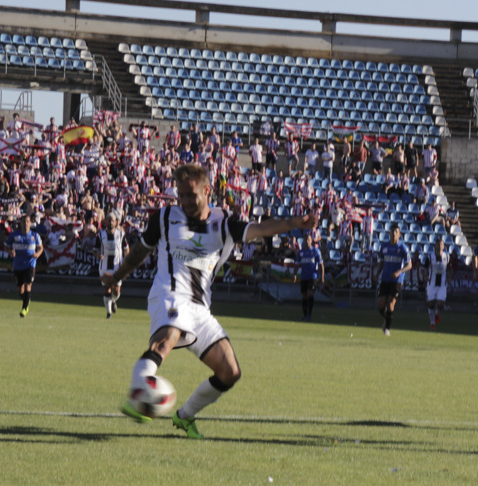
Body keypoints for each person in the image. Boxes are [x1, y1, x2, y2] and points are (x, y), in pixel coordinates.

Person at [102, 164, 318, 439]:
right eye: (180, 195)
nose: (185, 201)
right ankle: (139, 390)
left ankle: (185, 416)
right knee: (165, 340)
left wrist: (292, 223)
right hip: (168, 294)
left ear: (207, 191)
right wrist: (116, 277)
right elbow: (139, 253)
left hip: (200, 308)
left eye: (191, 195)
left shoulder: (224, 222)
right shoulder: (165, 217)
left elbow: (261, 228)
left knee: (230, 372)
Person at [373, 224, 412, 336]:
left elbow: (409, 265)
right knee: (380, 306)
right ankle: (388, 319)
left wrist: (399, 272)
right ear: (389, 233)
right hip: (385, 279)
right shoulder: (384, 247)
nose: (393, 233)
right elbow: (382, 262)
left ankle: (387, 329)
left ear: (399, 234)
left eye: (396, 231)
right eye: (392, 231)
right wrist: (376, 274)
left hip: (397, 280)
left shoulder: (402, 248)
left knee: (390, 305)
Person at [6, 214, 44, 317]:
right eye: (23, 221)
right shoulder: (14, 235)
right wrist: (10, 251)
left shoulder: (35, 236)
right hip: (18, 265)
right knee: (20, 289)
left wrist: (37, 254)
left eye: (27, 221)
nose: (25, 223)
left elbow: (41, 248)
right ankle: (27, 300)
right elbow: (6, 246)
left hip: (30, 264)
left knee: (28, 285)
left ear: (31, 223)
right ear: (20, 223)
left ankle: (24, 308)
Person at [95, 213, 129, 319]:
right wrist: (97, 255)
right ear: (105, 221)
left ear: (116, 222)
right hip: (104, 266)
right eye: (108, 220)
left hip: (117, 266)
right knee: (107, 289)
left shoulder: (121, 234)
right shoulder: (100, 235)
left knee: (116, 291)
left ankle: (113, 301)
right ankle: (108, 313)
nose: (110, 222)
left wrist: (126, 261)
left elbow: (126, 248)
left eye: (112, 220)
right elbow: (94, 249)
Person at [295, 235, 324, 321]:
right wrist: (294, 275)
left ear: (311, 241)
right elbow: (296, 264)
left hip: (313, 277)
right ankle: (305, 315)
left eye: (308, 239)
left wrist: (322, 277)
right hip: (304, 277)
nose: (306, 241)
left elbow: (321, 265)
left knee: (310, 294)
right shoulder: (301, 252)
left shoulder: (316, 251)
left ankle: (309, 315)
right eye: (305, 239)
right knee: (304, 296)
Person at [425, 239, 450, 330]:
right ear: (435, 246)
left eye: (441, 244)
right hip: (432, 282)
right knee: (431, 303)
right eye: (438, 244)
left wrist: (450, 277)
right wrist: (425, 276)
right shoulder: (430, 257)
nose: (439, 246)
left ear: (444, 247)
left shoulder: (447, 257)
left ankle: (436, 312)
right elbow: (423, 267)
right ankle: (432, 322)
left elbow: (451, 268)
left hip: (442, 283)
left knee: (440, 304)